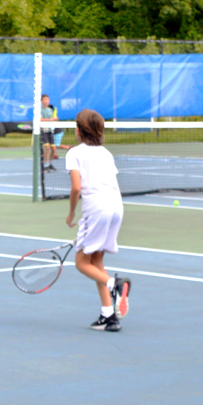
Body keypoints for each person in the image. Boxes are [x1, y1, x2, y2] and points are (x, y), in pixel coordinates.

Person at [64, 108, 130, 331]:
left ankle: (115, 284)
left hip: (97, 209)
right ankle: (108, 316)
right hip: (116, 208)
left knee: (82, 264)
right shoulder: (106, 153)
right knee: (96, 264)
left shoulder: (74, 153)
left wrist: (72, 213)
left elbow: (76, 188)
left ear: (79, 131)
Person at [40, 94, 66, 170]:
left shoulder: (50, 110)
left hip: (50, 131)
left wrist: (55, 118)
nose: (46, 101)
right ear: (41, 101)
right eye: (44, 99)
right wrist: (51, 119)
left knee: (54, 149)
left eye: (47, 99)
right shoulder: (40, 110)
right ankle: (45, 165)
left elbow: (54, 119)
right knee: (47, 147)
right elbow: (40, 119)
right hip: (43, 131)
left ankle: (49, 163)